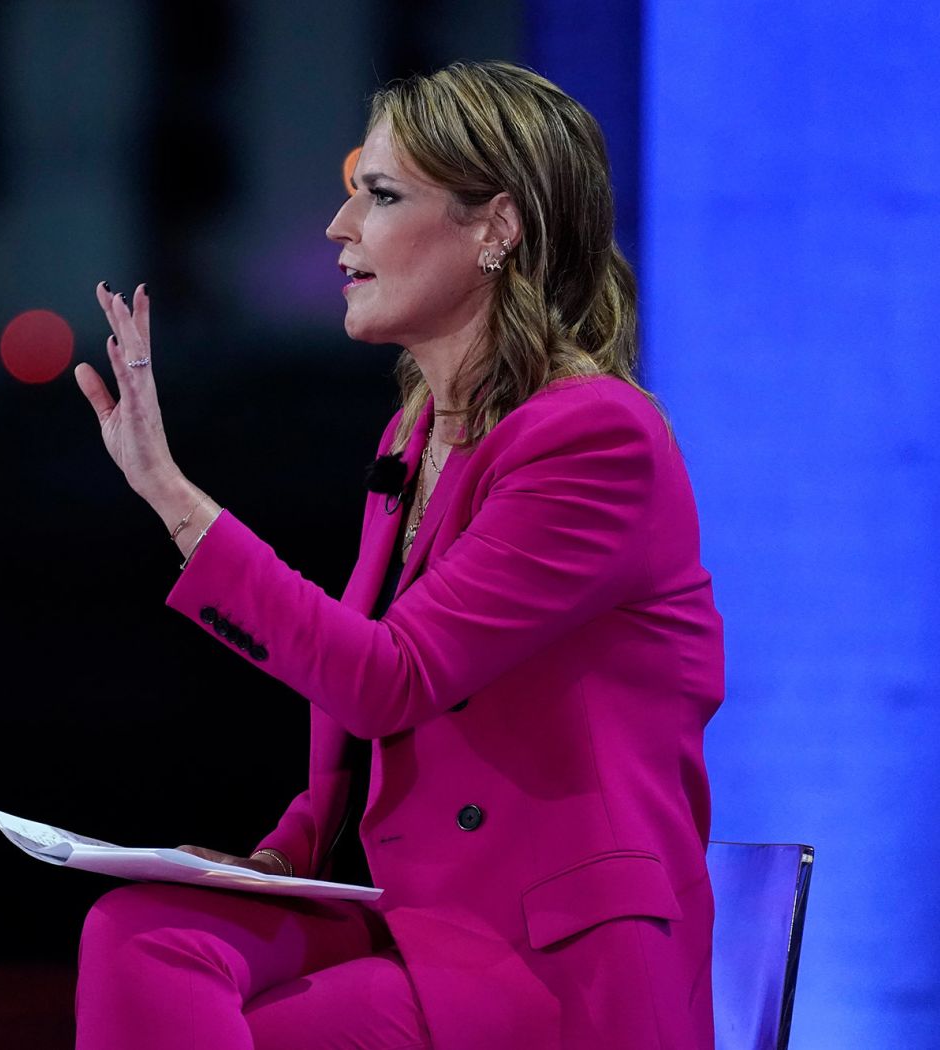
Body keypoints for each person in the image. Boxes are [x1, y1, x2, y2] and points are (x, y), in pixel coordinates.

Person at [69, 61, 722, 1050]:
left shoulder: (595, 439)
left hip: (551, 967)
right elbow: (361, 722)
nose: (338, 228)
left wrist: (172, 497)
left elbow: (390, 679)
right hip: (421, 919)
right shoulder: (415, 437)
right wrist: (278, 860)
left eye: (378, 196)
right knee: (141, 933)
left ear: (495, 228)